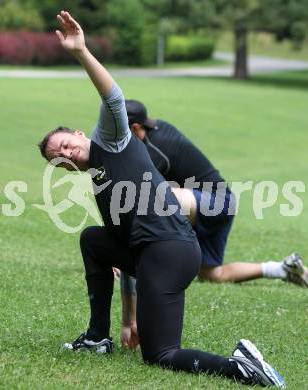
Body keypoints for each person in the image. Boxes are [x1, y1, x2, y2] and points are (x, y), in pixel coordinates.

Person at [38, 11, 285, 387]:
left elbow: (114, 98)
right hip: (155, 252)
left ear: (78, 134)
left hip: (170, 252)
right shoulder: (101, 182)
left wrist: (81, 53)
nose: (68, 153)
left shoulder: (110, 138)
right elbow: (124, 246)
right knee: (93, 239)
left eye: (67, 144)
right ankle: (97, 337)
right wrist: (126, 319)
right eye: (61, 156)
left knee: (161, 354)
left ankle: (242, 366)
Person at [118, 100, 308, 347]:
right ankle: (282, 269)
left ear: (133, 128)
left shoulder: (156, 152)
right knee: (212, 274)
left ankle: (139, 268)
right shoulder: (156, 129)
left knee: (152, 204)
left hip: (214, 203)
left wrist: (123, 251)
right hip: (214, 204)